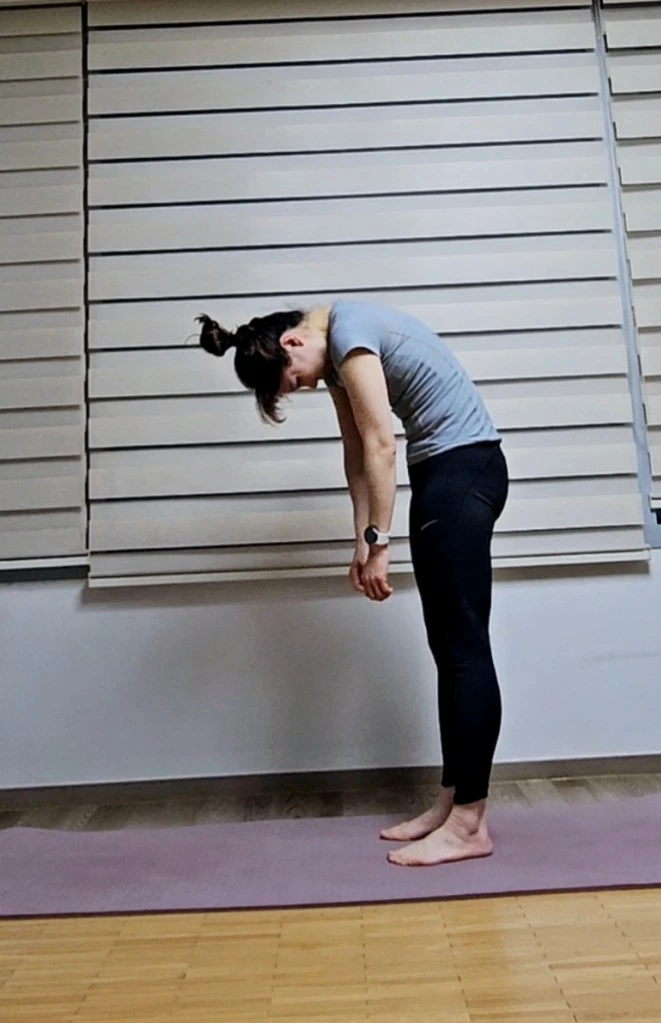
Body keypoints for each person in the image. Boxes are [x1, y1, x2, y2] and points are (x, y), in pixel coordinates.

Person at [197, 300, 508, 867]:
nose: (305, 386)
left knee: (464, 650)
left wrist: (382, 543)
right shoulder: (339, 354)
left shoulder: (350, 335)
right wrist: (363, 541)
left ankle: (470, 824)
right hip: (446, 471)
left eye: (295, 380)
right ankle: (451, 804)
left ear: (292, 343)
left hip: (464, 471)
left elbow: (383, 445)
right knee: (450, 650)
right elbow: (357, 453)